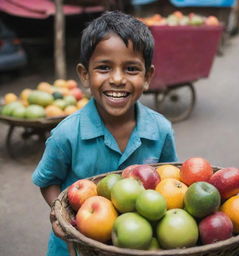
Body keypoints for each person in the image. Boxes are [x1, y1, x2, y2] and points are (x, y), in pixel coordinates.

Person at [32, 10, 178, 256]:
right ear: (84, 75)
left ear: (147, 77)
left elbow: (170, 179)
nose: (118, 79)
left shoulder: (160, 130)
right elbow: (48, 181)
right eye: (104, 68)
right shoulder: (66, 134)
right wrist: (59, 214)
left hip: (136, 242)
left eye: (131, 69)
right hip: (75, 245)